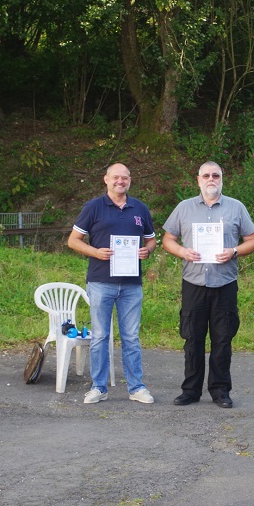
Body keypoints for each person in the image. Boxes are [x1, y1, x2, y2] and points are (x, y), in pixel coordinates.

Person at [162, 161, 254, 408]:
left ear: (222, 179)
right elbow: (168, 239)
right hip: (193, 282)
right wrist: (182, 251)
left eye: (216, 175)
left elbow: (253, 240)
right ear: (198, 180)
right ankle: (190, 390)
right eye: (206, 175)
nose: (211, 179)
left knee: (222, 338)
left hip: (224, 283)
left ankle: (220, 390)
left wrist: (234, 251)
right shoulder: (184, 208)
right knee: (192, 338)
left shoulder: (236, 207)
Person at [68, 162, 157, 405]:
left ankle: (136, 387)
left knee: (131, 337)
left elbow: (151, 241)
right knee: (99, 337)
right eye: (116, 177)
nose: (120, 181)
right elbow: (73, 241)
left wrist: (146, 252)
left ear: (130, 180)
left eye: (125, 178)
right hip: (100, 281)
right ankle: (98, 387)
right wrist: (96, 252)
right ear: (105, 180)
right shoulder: (93, 207)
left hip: (131, 284)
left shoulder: (139, 208)